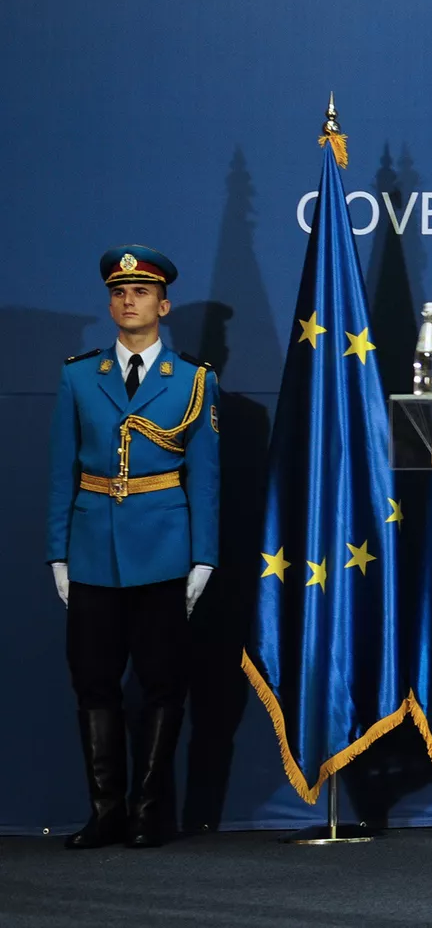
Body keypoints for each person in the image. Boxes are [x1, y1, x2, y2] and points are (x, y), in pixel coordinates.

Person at [45, 245, 219, 850]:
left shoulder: (193, 380)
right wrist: (58, 553)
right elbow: (62, 472)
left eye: (142, 292)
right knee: (94, 682)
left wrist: (203, 556)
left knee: (162, 683)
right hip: (93, 549)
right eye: (119, 292)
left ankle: (147, 811)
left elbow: (205, 476)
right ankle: (106, 813)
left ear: (163, 306)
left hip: (165, 548)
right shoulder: (78, 376)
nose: (128, 301)